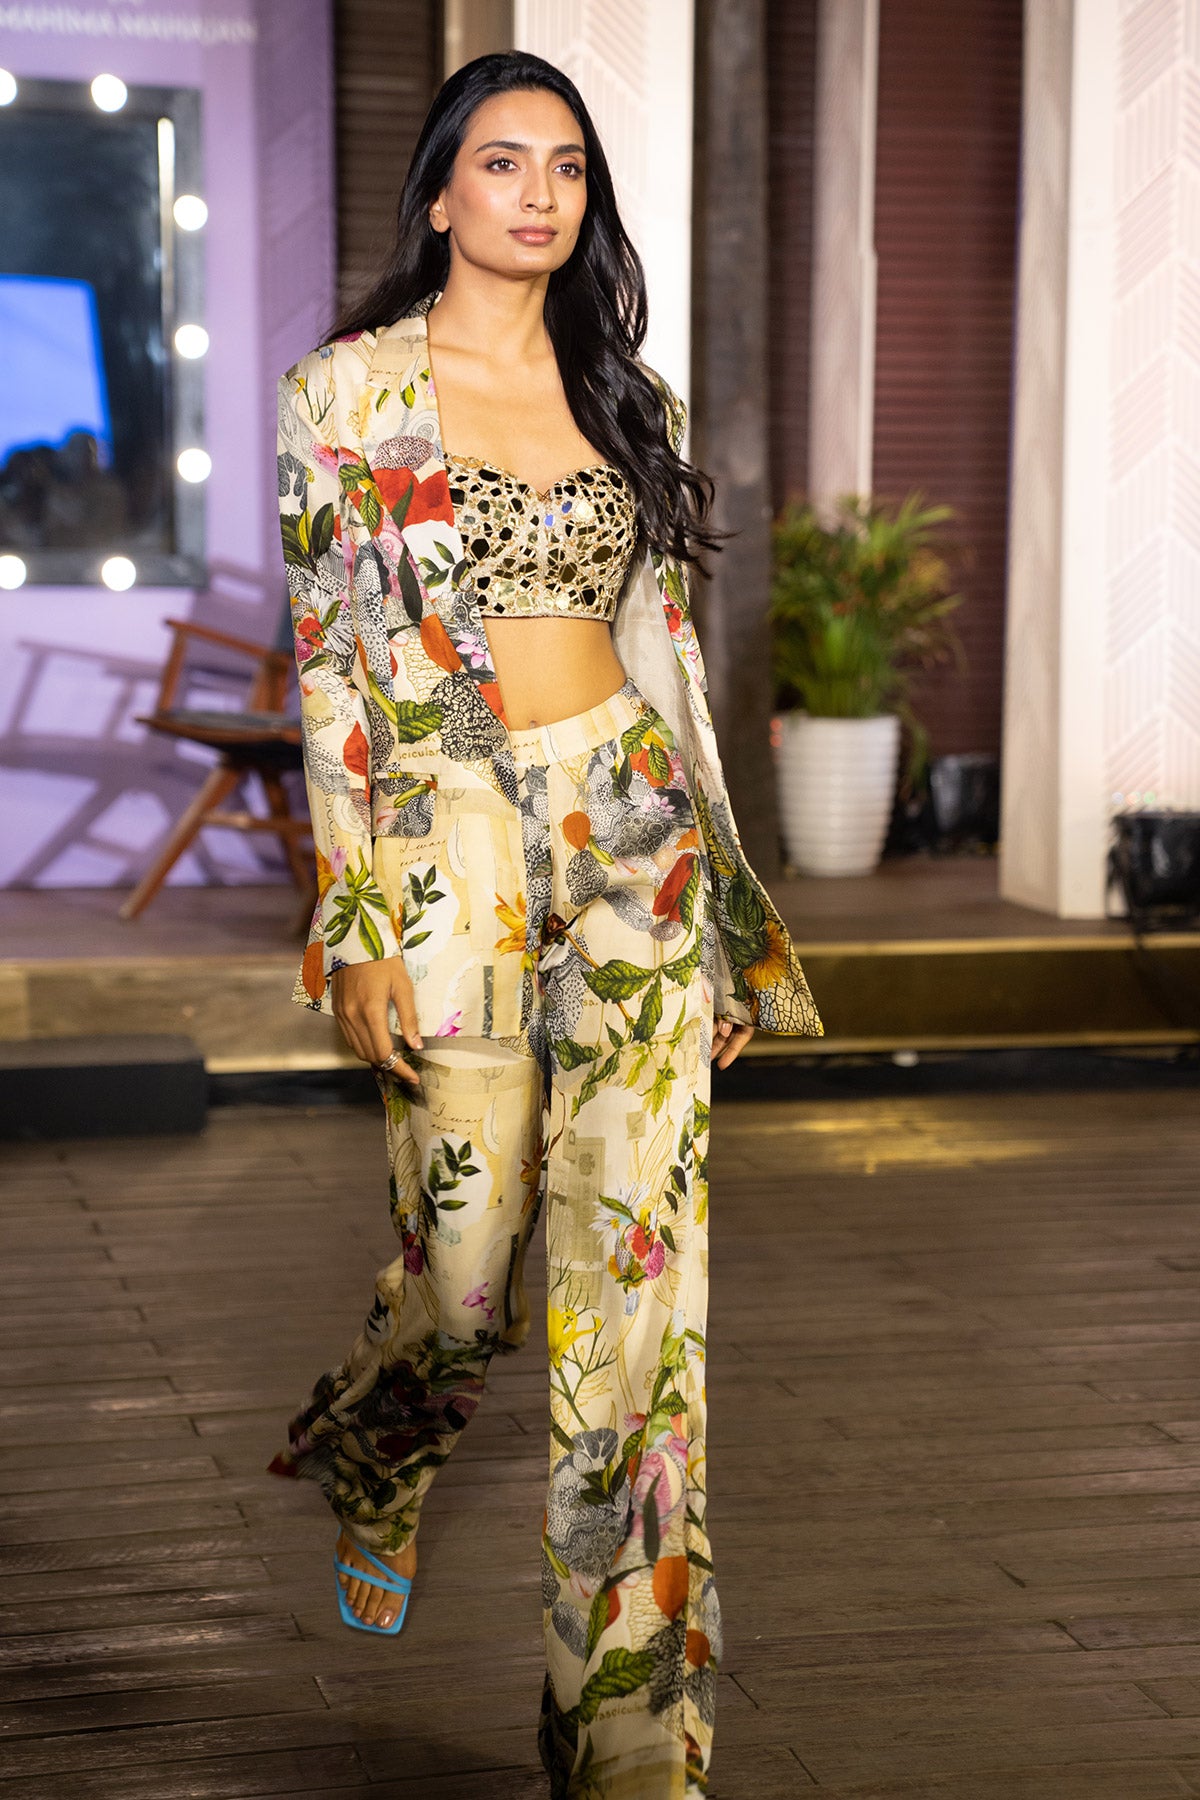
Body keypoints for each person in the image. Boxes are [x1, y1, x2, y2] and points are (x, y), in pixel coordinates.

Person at [267, 48, 822, 1799]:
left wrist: (723, 922)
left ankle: (628, 1748)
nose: (538, 192)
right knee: (463, 1265)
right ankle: (383, 1447)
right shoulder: (346, 395)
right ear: (440, 195)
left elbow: (666, 658)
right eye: (501, 162)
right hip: (448, 854)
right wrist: (359, 919)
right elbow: (334, 672)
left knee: (640, 1309)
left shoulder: (621, 389)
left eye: (567, 166)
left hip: (634, 833)